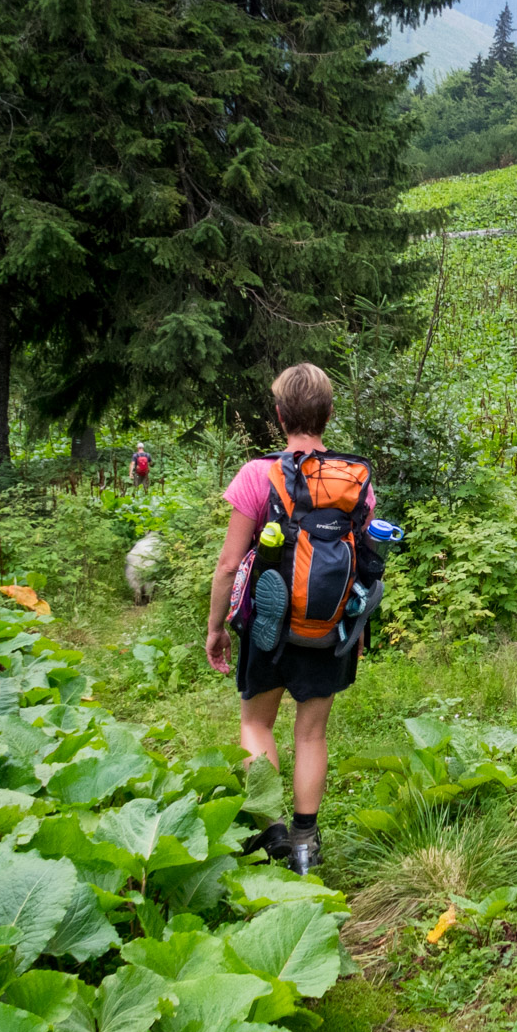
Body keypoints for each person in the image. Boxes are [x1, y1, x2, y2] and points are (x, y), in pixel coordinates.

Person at [205, 364, 381, 874]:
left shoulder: (257, 475)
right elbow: (362, 563)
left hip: (267, 627)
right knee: (311, 734)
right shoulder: (354, 481)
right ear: (328, 414)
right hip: (328, 632)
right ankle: (306, 842)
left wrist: (216, 628)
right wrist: (357, 631)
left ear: (280, 416)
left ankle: (271, 832)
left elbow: (228, 565)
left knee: (256, 723)